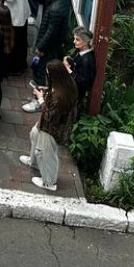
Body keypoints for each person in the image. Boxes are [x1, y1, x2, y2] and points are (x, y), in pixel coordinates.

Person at [21, 60, 79, 191]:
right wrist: (46, 91)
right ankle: (34, 162)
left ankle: (49, 182)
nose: (47, 76)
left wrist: (41, 98)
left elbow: (49, 116)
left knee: (46, 154)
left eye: (48, 74)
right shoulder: (67, 85)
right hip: (50, 126)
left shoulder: (59, 97)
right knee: (34, 134)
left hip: (52, 130)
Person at [24, 0, 73, 111]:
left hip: (48, 47)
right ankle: (39, 96)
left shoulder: (55, 9)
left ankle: (39, 101)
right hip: (55, 45)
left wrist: (40, 47)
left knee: (41, 72)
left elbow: (50, 32)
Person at [65, 26, 97, 113]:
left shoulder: (87, 60)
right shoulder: (82, 53)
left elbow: (81, 81)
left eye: (77, 39)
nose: (74, 41)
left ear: (86, 41)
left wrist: (68, 69)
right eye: (74, 39)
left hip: (76, 93)